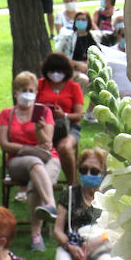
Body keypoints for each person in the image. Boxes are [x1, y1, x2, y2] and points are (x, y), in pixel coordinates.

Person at [0, 71, 62, 251]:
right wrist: (26, 149)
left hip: (48, 160)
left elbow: (47, 145)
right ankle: (50, 204)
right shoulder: (7, 114)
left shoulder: (42, 112)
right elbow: (4, 144)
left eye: (31, 90)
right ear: (16, 92)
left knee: (36, 180)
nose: (28, 93)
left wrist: (39, 130)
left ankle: (36, 236)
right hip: (18, 162)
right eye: (23, 90)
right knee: (34, 162)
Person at [53, 147, 112, 260]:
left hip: (100, 246)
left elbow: (115, 228)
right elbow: (58, 229)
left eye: (94, 171)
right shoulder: (69, 193)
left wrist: (97, 241)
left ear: (103, 173)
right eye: (84, 170)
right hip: (70, 246)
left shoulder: (109, 197)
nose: (88, 174)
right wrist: (70, 246)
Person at [37, 52, 84, 188]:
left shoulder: (73, 87)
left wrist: (64, 115)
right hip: (44, 126)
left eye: (59, 71)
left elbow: (78, 115)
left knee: (64, 147)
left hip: (68, 127)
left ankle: (72, 185)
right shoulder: (41, 85)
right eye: (52, 71)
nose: (56, 74)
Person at [56, 8, 98, 84]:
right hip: (74, 69)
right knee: (83, 79)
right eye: (78, 19)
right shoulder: (68, 39)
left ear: (88, 22)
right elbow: (64, 59)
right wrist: (78, 64)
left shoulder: (95, 38)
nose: (80, 21)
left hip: (92, 68)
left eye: (83, 20)